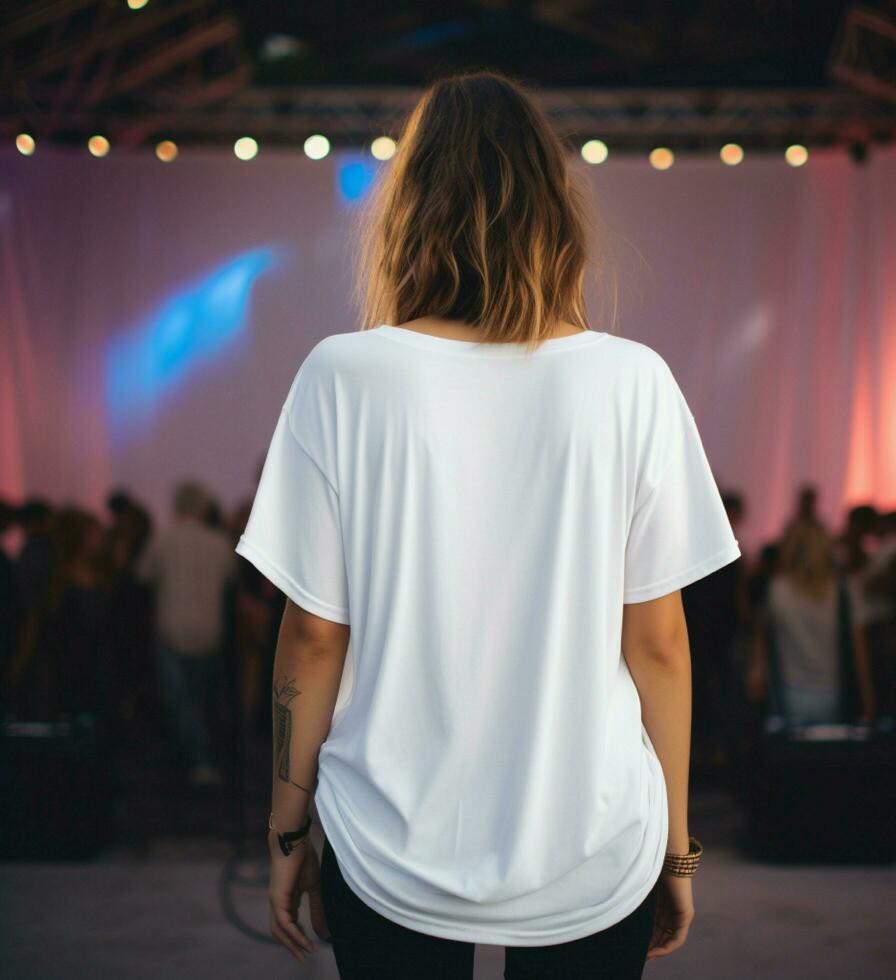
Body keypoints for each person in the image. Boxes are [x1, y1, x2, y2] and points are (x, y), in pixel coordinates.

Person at [236, 70, 739, 978]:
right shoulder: (634, 381)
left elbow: (312, 637)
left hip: (384, 839)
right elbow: (659, 645)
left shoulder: (344, 375)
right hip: (595, 842)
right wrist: (676, 849)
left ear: (409, 208)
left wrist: (285, 834)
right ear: (552, 209)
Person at [137, 480, 238, 785]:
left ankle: (195, 761)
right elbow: (231, 579)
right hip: (210, 633)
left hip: (171, 631)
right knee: (201, 700)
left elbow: (141, 575)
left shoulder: (163, 540)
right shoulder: (219, 542)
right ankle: (202, 760)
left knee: (181, 701)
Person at [746, 521, 876, 725]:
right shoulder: (845, 590)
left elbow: (762, 642)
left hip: (789, 690)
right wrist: (867, 695)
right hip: (835, 690)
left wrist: (757, 673)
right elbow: (860, 651)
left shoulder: (777, 590)